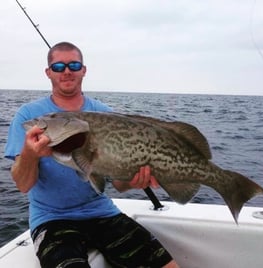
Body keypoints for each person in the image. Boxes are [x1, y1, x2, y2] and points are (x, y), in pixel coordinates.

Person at [5, 42, 180, 268]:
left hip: (103, 213)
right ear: (48, 73)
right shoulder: (29, 115)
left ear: (83, 70)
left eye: (73, 65)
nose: (66, 71)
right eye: (58, 66)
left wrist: (135, 179)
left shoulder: (104, 114)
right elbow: (23, 185)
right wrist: (30, 154)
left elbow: (118, 182)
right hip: (52, 220)